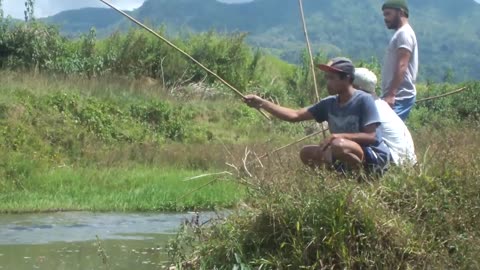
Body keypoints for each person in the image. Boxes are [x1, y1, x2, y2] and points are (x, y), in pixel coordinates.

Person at [244, 57, 391, 174]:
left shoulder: (363, 100)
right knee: (306, 153)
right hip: (342, 151)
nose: (327, 83)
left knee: (338, 145)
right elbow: (294, 115)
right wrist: (261, 103)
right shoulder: (329, 103)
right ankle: (337, 178)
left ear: (346, 79)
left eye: (332, 78)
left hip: (373, 157)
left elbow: (371, 137)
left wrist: (339, 137)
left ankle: (361, 178)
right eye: (327, 78)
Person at [354, 67, 417, 165]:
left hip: (395, 160)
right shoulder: (380, 104)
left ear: (357, 88)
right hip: (407, 160)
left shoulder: (368, 108)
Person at [381, 0, 418, 121]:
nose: (385, 18)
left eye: (388, 14)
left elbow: (402, 65)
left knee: (385, 134)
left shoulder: (404, 34)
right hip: (396, 96)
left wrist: (392, 94)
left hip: (399, 97)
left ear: (400, 12)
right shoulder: (400, 33)